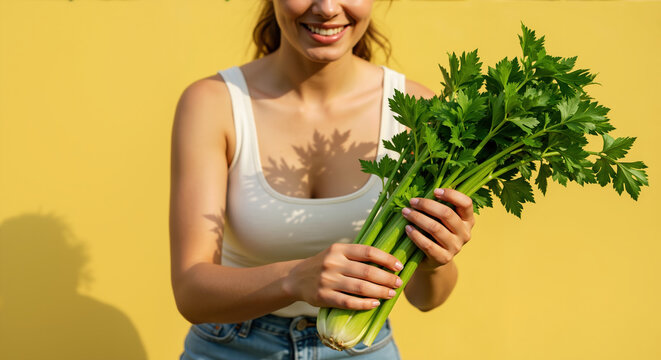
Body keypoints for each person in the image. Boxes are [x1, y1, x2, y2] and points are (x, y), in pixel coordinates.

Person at [169, 1, 475, 359]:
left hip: (361, 346)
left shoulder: (420, 110)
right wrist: (294, 278)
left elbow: (427, 300)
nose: (328, 8)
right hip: (230, 346)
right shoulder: (213, 103)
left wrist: (436, 260)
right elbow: (191, 292)